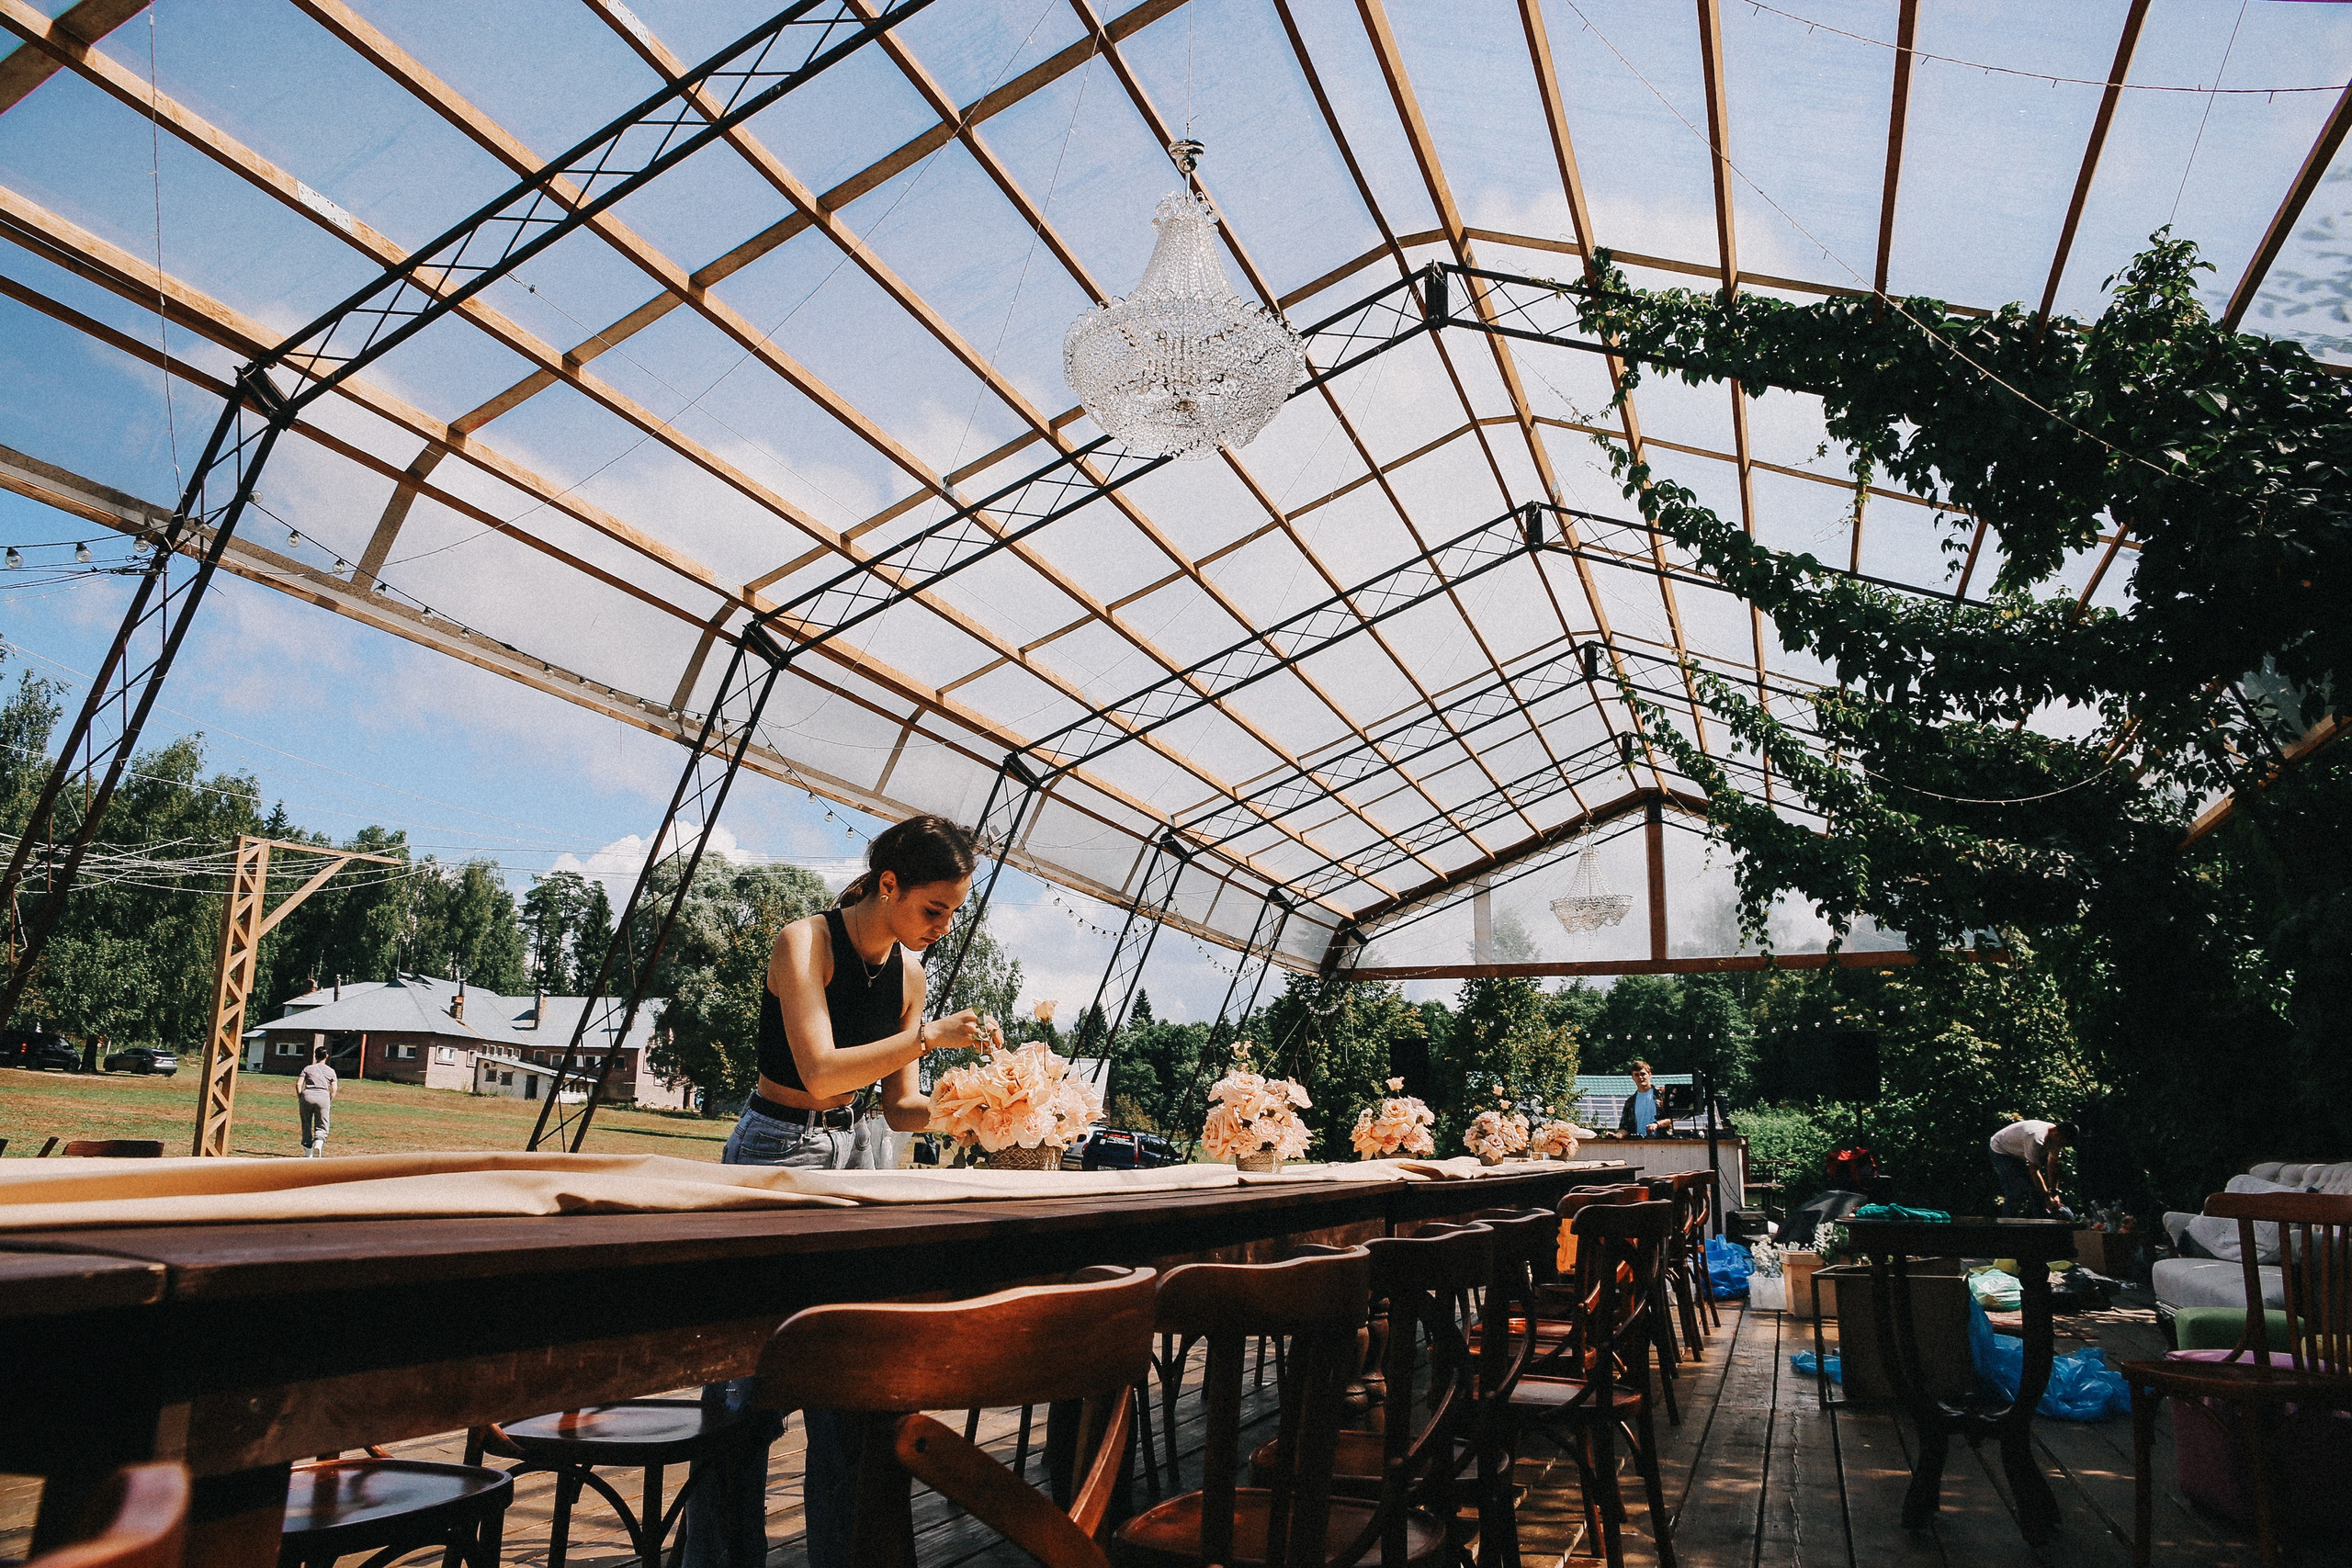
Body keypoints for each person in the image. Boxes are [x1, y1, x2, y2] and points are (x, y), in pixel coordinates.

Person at [679, 814, 1000, 1568]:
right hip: (776, 1147)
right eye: (934, 909)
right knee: (743, 1382)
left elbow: (898, 1106)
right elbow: (820, 1071)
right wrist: (926, 1038)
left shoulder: (911, 976)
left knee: (850, 1378)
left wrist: (973, 1109)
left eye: (953, 911)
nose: (943, 927)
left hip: (866, 1150)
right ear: (888, 884)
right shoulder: (804, 942)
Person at [1988, 1117, 2077, 1219]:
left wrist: (2054, 1192)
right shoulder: (2036, 1138)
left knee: (2036, 1189)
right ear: (2056, 1133)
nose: (2061, 1146)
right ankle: (2007, 1225)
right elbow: (2034, 1171)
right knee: (2016, 1191)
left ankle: (2041, 1222)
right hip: (2001, 1149)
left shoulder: (2057, 1139)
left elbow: (2053, 1166)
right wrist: (2048, 1199)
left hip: (2019, 1152)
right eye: (2061, 1142)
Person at [296, 1044, 336, 1156]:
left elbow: (298, 1084)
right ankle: (319, 1143)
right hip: (323, 1097)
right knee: (322, 1123)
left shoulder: (308, 1069)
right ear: (327, 1056)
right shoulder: (331, 1071)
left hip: (307, 1096)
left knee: (306, 1123)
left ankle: (308, 1152)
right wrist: (329, 1100)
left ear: (315, 1055)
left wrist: (301, 1097)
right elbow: (334, 1089)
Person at [1616, 1060, 1673, 1135]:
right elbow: (1625, 1127)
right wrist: (1616, 1135)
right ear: (1633, 1078)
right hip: (1640, 1143)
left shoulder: (1662, 1094)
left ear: (1650, 1074)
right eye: (1636, 1075)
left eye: (1643, 1074)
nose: (1640, 1077)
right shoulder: (1630, 1102)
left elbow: (1674, 1117)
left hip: (1663, 1142)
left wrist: (1657, 1124)